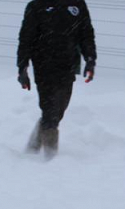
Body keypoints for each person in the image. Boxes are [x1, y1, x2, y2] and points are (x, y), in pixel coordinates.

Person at [16, 0, 97, 158]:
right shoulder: (37, 5)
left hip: (67, 66)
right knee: (50, 111)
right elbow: (26, 38)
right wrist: (22, 68)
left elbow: (86, 34)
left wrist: (90, 60)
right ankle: (50, 156)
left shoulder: (77, 4)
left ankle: (33, 147)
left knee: (59, 108)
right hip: (43, 65)